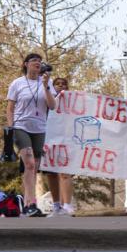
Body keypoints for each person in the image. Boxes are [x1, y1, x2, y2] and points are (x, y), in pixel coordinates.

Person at [5, 53, 54, 218]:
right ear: (25, 64)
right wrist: (10, 128)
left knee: (34, 168)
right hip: (21, 126)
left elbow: (52, 105)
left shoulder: (46, 82)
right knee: (30, 164)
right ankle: (30, 204)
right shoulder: (17, 83)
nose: (38, 63)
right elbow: (10, 108)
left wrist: (46, 85)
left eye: (40, 61)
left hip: (40, 128)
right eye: (34, 61)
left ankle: (29, 205)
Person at [45, 75, 77, 215]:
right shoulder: (46, 100)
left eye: (64, 84)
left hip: (66, 140)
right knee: (51, 173)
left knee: (65, 173)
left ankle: (67, 204)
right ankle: (56, 204)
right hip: (49, 140)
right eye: (57, 84)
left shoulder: (73, 102)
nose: (61, 86)